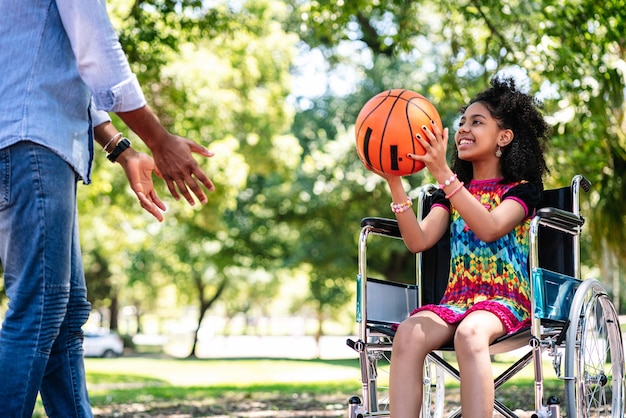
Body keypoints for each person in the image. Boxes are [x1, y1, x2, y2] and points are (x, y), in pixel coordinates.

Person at [0, 0, 216, 416]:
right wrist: (158, 138)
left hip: (27, 145)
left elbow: (53, 68)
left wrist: (121, 149)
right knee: (41, 307)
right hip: (33, 147)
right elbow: (96, 51)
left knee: (65, 313)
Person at [377, 77, 550, 417]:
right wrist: (395, 182)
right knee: (410, 332)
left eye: (476, 122)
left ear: (504, 137)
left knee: (471, 333)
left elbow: (489, 228)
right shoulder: (449, 194)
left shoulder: (522, 190)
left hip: (506, 300)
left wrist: (444, 173)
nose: (463, 130)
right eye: (461, 123)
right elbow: (418, 241)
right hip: (458, 301)